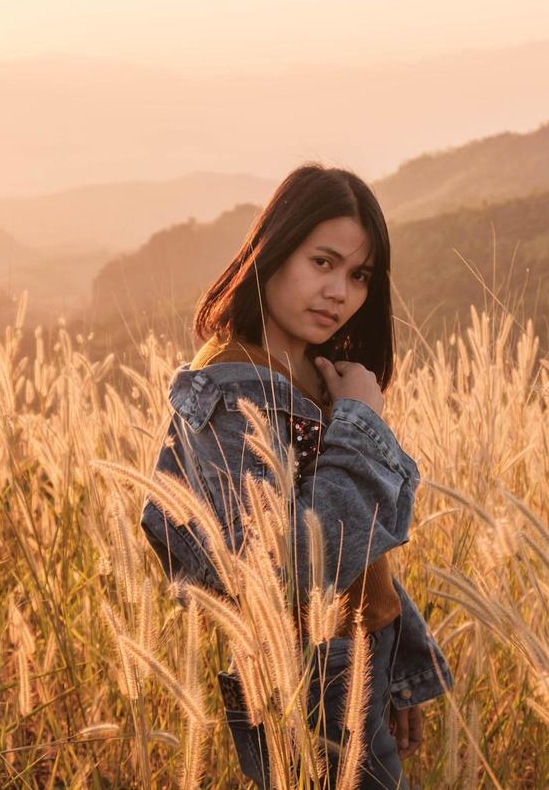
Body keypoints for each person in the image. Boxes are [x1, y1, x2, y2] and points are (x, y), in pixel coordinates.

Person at [140, 164, 452, 788]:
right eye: (323, 262)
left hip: (355, 667)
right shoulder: (230, 395)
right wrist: (361, 420)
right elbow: (288, 566)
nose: (340, 291)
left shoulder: (315, 375)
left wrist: (397, 661)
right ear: (273, 253)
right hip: (299, 681)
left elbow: (358, 544)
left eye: (359, 276)